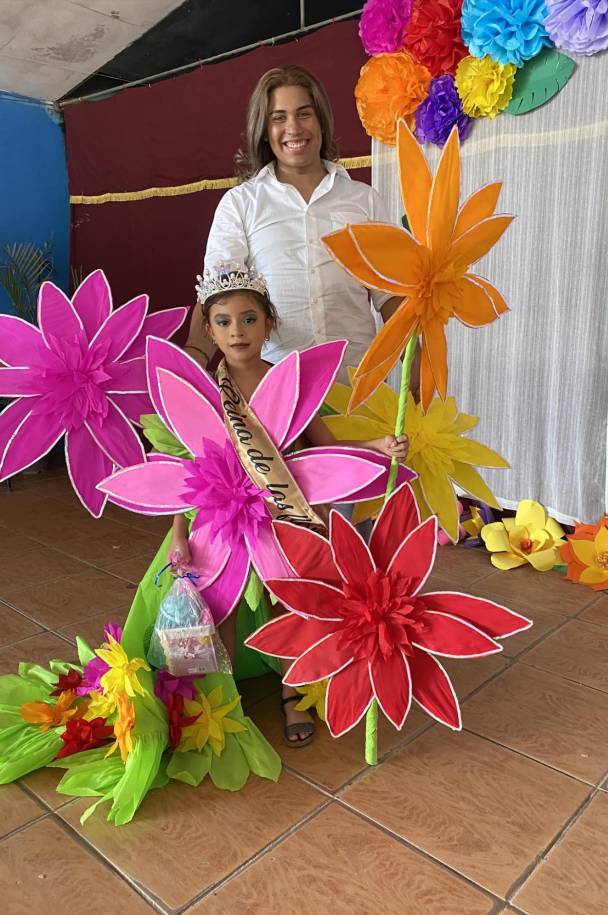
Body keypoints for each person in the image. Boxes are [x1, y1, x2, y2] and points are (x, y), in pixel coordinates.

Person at [171, 266, 408, 746]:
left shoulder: (291, 380)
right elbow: (185, 469)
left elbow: (322, 445)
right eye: (223, 322)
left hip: (284, 515)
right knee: (221, 606)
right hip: (222, 517)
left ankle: (293, 694)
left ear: (269, 323)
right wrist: (178, 533)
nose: (237, 331)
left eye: (249, 318)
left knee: (289, 602)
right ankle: (223, 703)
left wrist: (378, 446)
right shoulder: (204, 389)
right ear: (209, 328)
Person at [183, 65, 415, 388]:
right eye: (279, 117)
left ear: (321, 121)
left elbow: (392, 298)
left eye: (304, 114)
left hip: (359, 391)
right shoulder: (240, 204)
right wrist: (191, 362)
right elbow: (217, 299)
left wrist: (416, 373)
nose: (293, 128)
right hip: (277, 398)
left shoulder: (364, 201)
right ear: (264, 130)